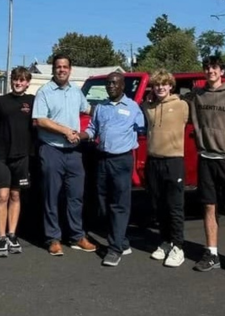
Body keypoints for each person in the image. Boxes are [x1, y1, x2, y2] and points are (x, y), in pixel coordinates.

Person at [32, 54, 96, 256]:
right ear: (53, 69)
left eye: (65, 67)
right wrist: (66, 131)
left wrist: (109, 110)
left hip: (74, 152)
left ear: (70, 69)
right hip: (52, 149)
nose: (61, 70)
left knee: (75, 196)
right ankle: (53, 238)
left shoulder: (76, 92)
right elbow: (40, 120)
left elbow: (88, 109)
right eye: (58, 67)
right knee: (51, 196)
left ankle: (76, 236)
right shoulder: (44, 92)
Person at [78, 72, 144, 266]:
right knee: (103, 202)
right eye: (108, 84)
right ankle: (122, 240)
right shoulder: (101, 108)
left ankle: (114, 249)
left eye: (115, 83)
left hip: (122, 160)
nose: (111, 86)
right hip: (102, 159)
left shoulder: (133, 108)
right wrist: (78, 135)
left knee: (119, 204)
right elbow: (92, 129)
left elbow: (142, 129)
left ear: (123, 85)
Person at [189, 56, 225, 277]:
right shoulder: (197, 96)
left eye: (214, 67)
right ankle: (211, 253)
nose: (210, 71)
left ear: (221, 70)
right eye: (206, 67)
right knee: (209, 206)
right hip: (206, 157)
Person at [142, 70, 188, 268]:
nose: (160, 87)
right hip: (153, 161)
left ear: (171, 86)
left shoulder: (182, 105)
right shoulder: (148, 106)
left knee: (174, 206)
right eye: (156, 85)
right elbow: (141, 107)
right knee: (158, 206)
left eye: (164, 84)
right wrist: (147, 97)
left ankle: (178, 246)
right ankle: (166, 241)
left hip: (174, 161)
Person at [0, 67, 35, 257]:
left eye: (22, 80)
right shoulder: (0, 101)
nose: (18, 83)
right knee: (2, 197)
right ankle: (1, 237)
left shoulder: (33, 101)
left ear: (27, 83)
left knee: (16, 197)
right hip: (1, 155)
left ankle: (12, 234)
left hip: (22, 155)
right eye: (15, 80)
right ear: (11, 81)